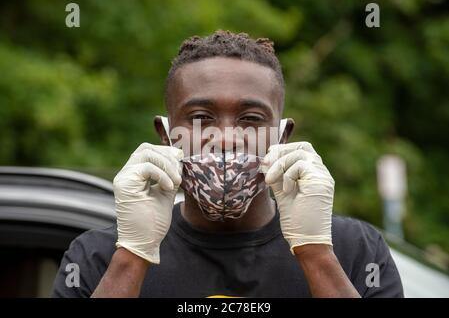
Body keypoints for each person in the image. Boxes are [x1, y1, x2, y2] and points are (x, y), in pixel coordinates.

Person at [52, 30, 403, 298]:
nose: (226, 138)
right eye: (200, 117)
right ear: (165, 135)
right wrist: (133, 256)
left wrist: (315, 252)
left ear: (282, 137)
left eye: (251, 119)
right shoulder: (97, 257)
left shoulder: (356, 250)